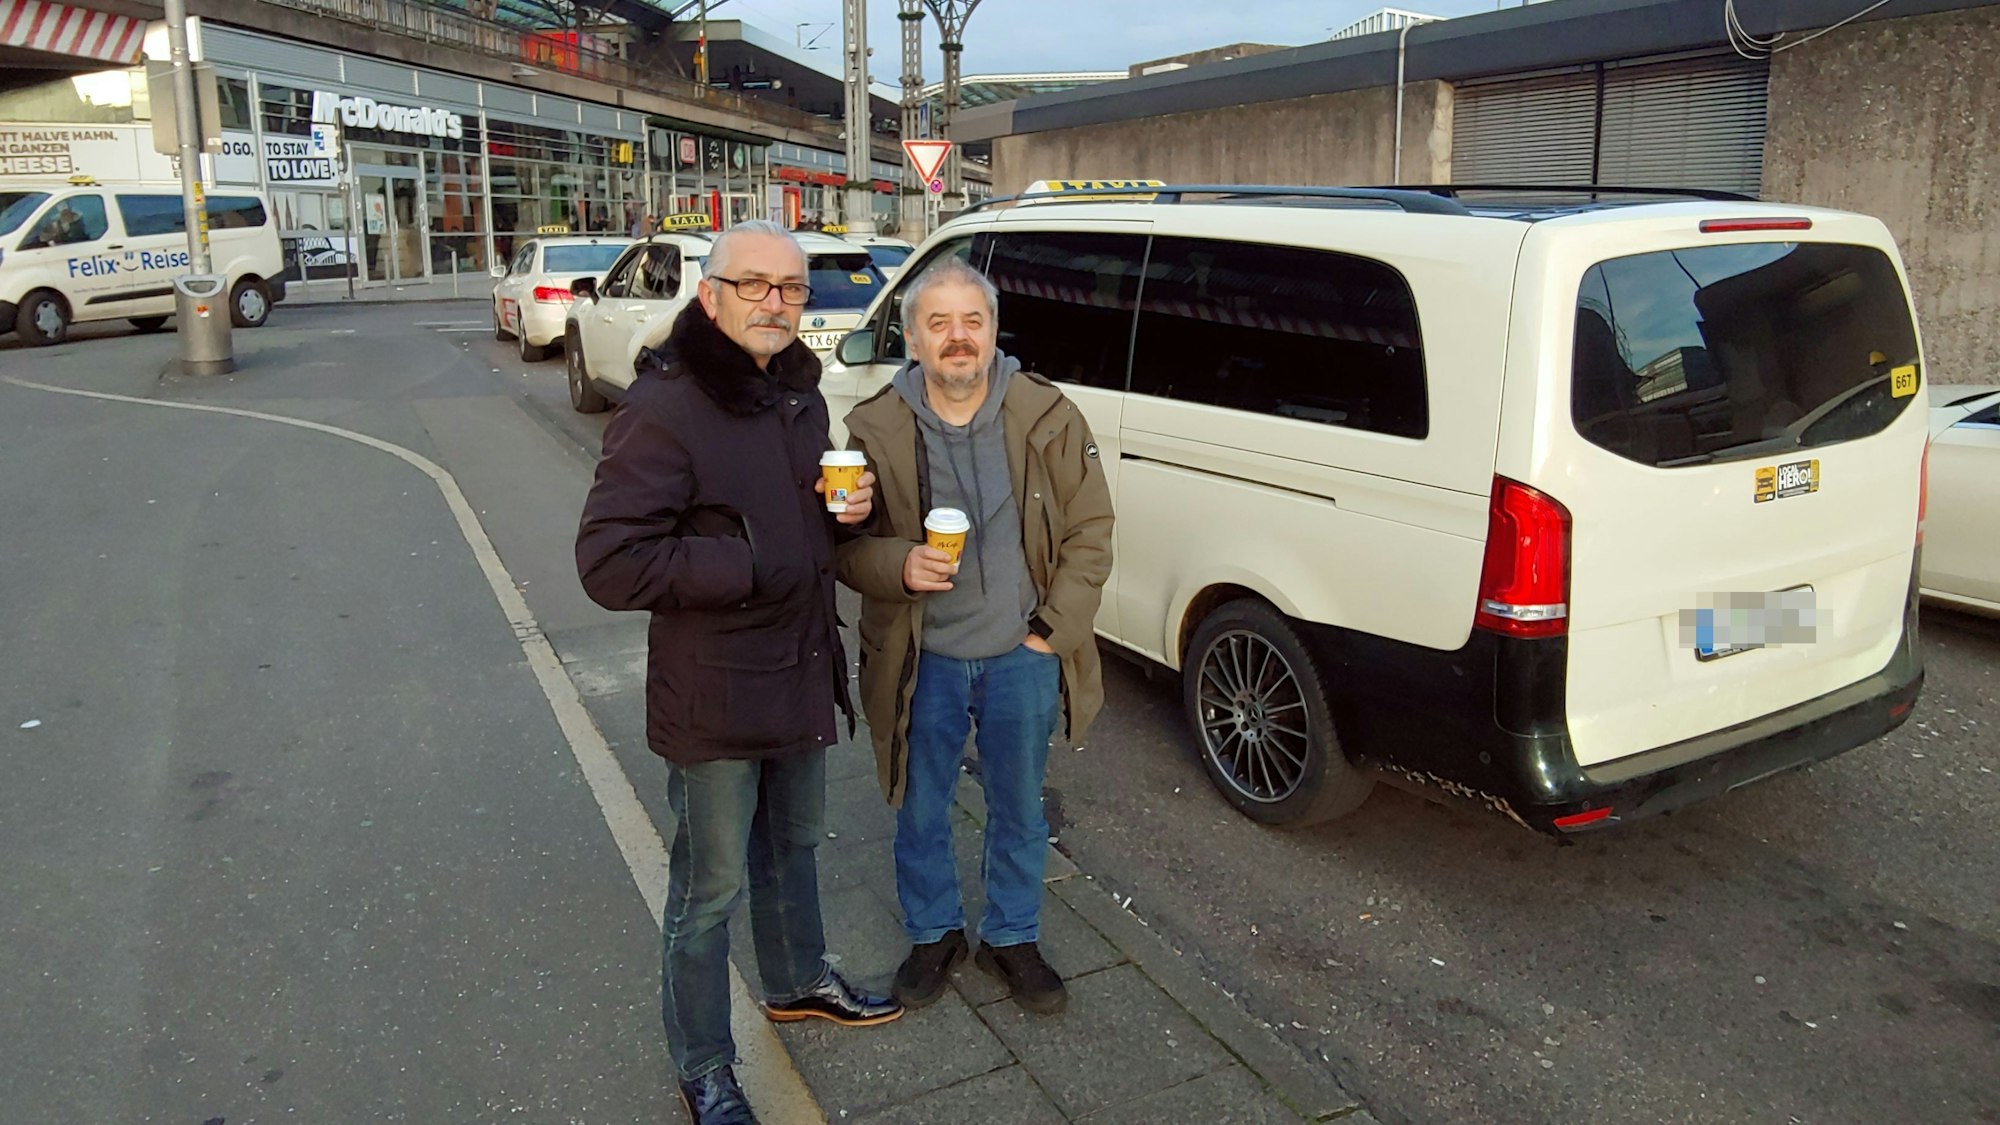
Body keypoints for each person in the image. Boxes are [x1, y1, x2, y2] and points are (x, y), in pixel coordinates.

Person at [576, 219, 901, 1125]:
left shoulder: (798, 393)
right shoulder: (666, 405)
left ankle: (798, 978)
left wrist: (846, 515)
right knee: (709, 887)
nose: (775, 301)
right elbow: (608, 562)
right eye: (754, 284)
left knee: (793, 846)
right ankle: (705, 1065)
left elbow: (805, 527)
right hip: (714, 689)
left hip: (797, 668)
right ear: (709, 294)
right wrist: (751, 564)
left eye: (791, 288)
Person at [835, 258, 1114, 1015]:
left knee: (1020, 807)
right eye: (939, 323)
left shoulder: (1048, 414)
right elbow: (845, 550)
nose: (959, 339)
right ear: (913, 338)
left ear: (992, 330)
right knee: (920, 805)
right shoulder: (873, 427)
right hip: (920, 658)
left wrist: (1051, 632)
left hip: (1020, 653)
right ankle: (933, 933)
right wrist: (900, 562)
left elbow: (1092, 530)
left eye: (973, 321)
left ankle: (1012, 935)